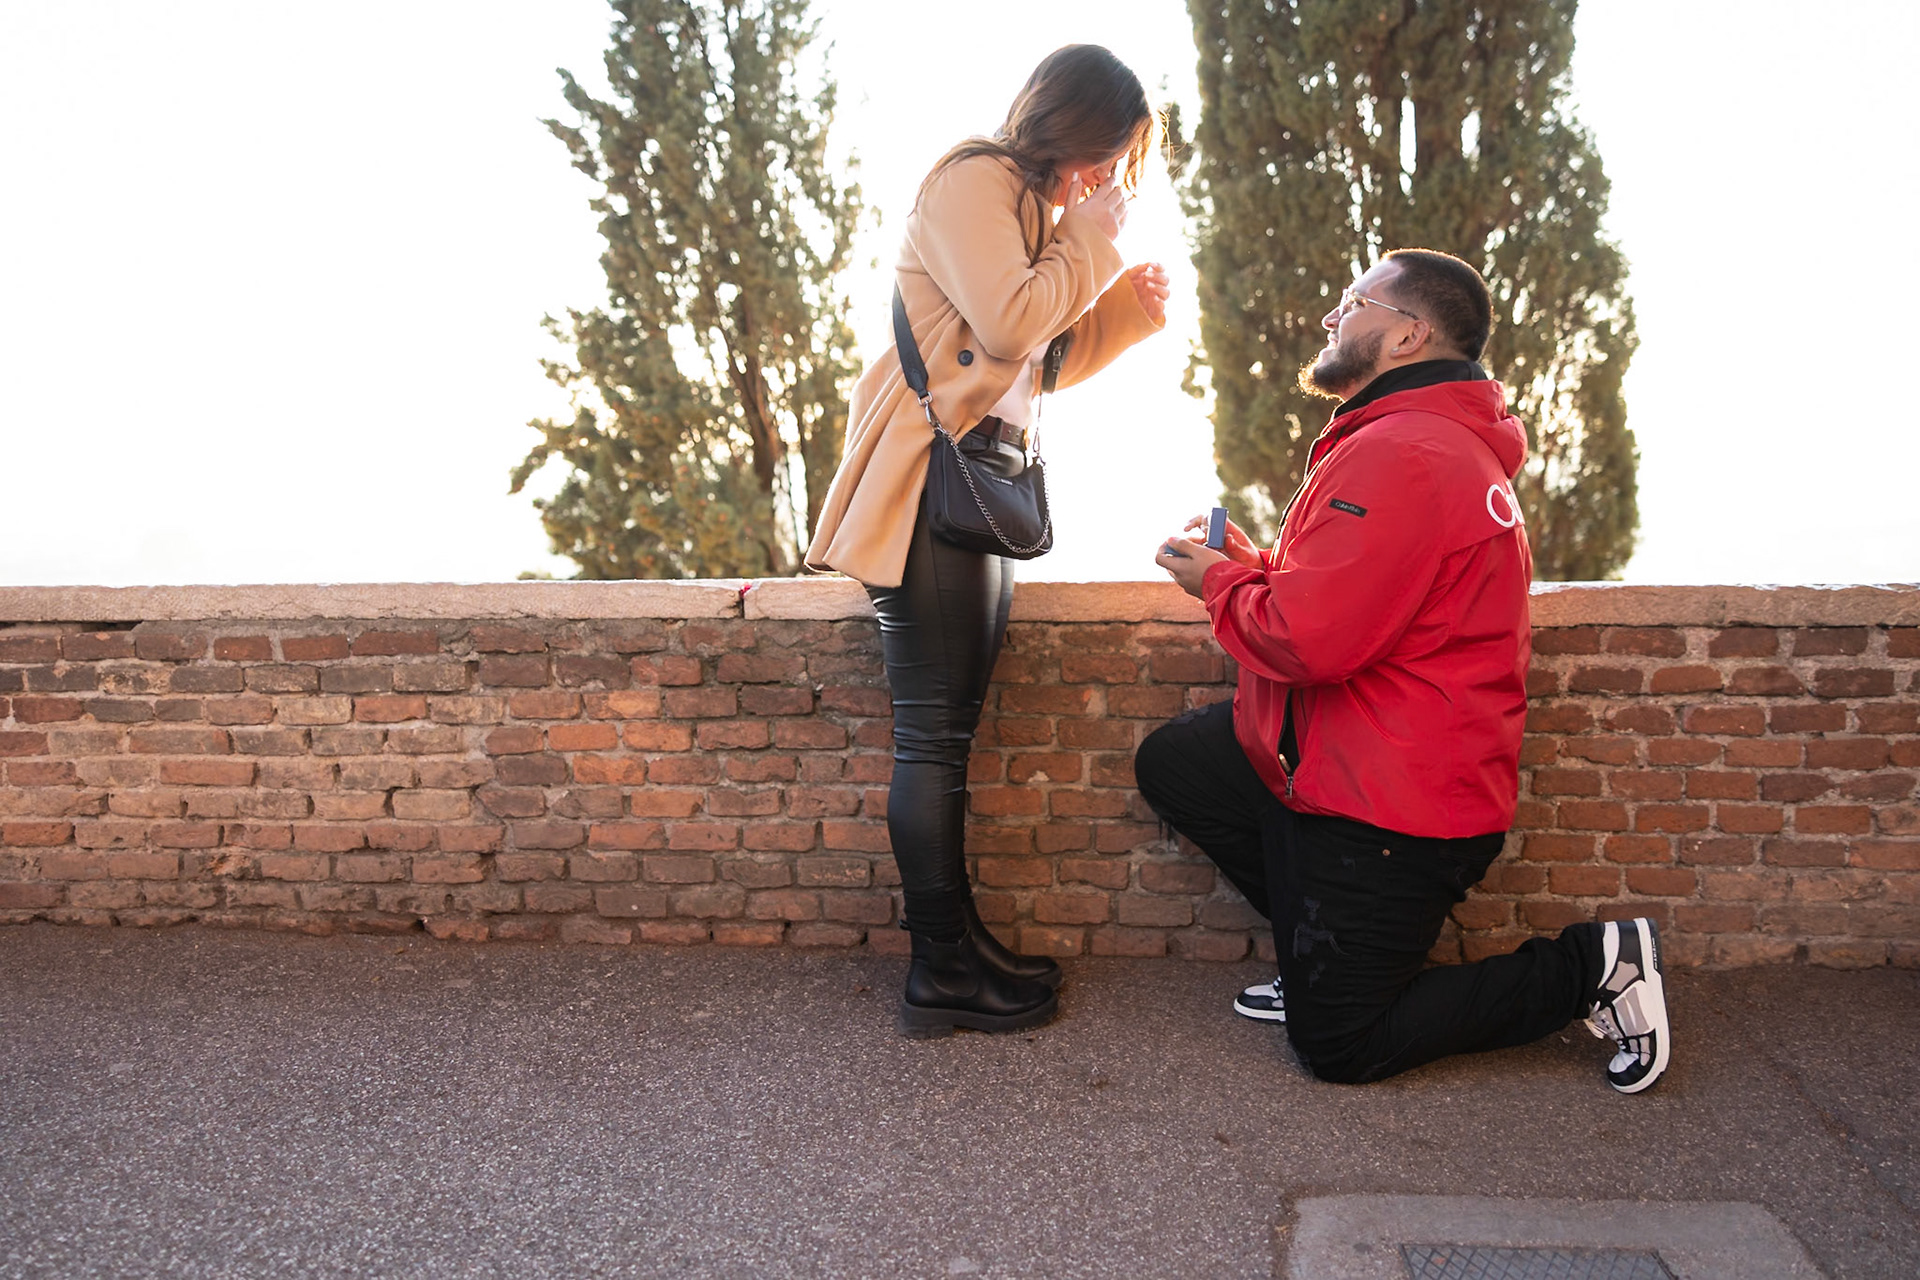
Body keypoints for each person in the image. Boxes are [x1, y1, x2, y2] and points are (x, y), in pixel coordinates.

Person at [1136, 248, 1670, 1093]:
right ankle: (1321, 956)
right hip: (1346, 761)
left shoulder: (1406, 453)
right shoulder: (1413, 439)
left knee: (1341, 1045)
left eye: (1352, 302)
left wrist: (1216, 582)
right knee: (1180, 764)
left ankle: (1592, 968)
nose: (1331, 317)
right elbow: (1359, 590)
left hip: (1396, 804)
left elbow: (1306, 641)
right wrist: (1254, 561)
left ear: (1407, 335)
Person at [806, 45, 1169, 1038]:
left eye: (1120, 165)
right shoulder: (977, 179)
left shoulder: (1034, 218)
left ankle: (962, 948)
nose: (1105, 180)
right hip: (930, 487)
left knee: (950, 735)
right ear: (1071, 124)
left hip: (981, 482)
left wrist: (1125, 309)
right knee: (933, 736)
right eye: (1107, 153)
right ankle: (942, 970)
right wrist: (1090, 244)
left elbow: (1030, 365)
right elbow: (1009, 323)